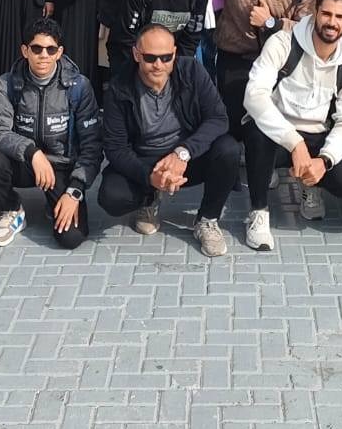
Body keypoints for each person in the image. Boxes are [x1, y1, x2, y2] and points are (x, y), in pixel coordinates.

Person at [99, 24, 244, 256]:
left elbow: (218, 118)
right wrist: (150, 177)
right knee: (112, 197)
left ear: (175, 53)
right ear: (136, 54)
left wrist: (183, 152)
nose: (158, 65)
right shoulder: (119, 87)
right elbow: (115, 148)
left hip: (186, 157)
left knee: (228, 149)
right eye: (150, 58)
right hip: (145, 158)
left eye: (166, 57)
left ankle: (207, 219)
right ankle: (150, 197)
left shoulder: (192, 71)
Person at [241, 0, 342, 248]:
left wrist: (325, 159)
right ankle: (259, 212)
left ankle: (311, 183)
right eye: (326, 14)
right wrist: (294, 143)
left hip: (316, 136)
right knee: (256, 135)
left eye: (339, 17)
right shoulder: (282, 43)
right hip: (276, 132)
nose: (331, 22)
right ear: (314, 13)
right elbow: (254, 96)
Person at [0, 18, 102, 249]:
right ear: (25, 51)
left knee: (71, 238)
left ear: (59, 52)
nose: (43, 55)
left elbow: (92, 144)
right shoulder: (8, 83)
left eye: (50, 49)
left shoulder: (79, 87)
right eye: (36, 49)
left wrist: (75, 190)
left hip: (62, 167)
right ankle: (12, 209)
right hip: (25, 161)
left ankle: (54, 201)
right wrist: (32, 152)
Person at [200, 0, 316, 141]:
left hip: (279, 63)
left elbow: (308, 29)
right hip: (234, 58)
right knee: (232, 123)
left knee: (268, 128)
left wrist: (272, 23)